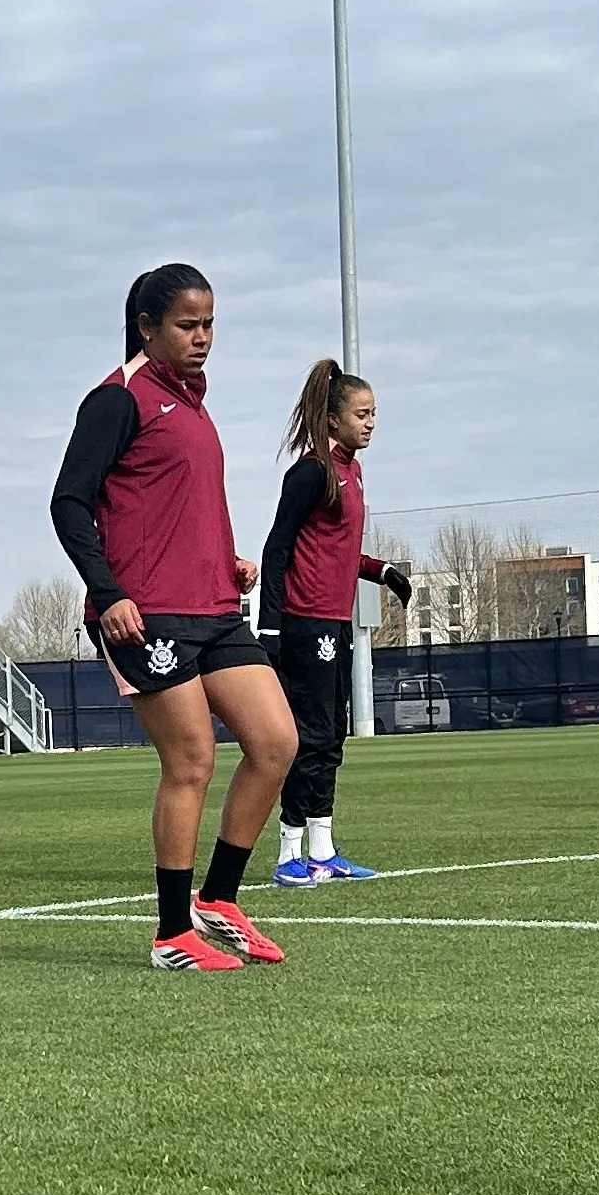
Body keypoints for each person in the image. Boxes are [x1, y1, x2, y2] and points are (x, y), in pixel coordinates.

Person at [50, 263, 300, 970]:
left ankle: (217, 900)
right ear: (147, 327)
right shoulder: (117, 400)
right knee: (190, 760)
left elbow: (181, 508)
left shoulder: (192, 404)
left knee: (277, 743)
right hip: (145, 615)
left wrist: (229, 563)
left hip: (215, 608)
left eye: (210, 324)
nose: (202, 338)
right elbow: (69, 503)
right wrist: (109, 591)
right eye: (188, 325)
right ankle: (169, 935)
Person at [256, 358, 411, 885]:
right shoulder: (310, 472)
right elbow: (277, 550)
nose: (371, 423)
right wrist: (270, 628)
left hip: (335, 622)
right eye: (362, 414)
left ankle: (322, 848)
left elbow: (337, 549)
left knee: (331, 737)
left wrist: (382, 571)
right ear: (332, 420)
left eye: (375, 414)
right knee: (308, 735)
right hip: (303, 624)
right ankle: (288, 854)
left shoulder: (353, 471)